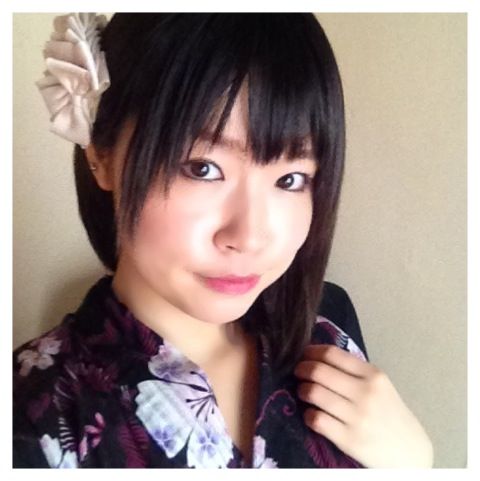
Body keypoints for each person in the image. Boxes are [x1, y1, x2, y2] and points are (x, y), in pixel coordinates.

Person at [13, 13, 433, 468]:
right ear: (102, 156)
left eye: (291, 179)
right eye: (202, 169)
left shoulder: (328, 337)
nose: (249, 237)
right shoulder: (31, 417)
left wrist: (415, 464)